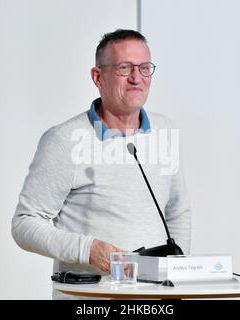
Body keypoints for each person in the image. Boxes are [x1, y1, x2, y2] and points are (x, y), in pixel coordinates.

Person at [11, 29, 191, 299]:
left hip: (155, 300)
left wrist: (178, 277)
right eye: (124, 68)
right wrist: (89, 249)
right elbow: (25, 223)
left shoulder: (165, 131)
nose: (136, 78)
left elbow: (178, 210)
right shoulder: (64, 140)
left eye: (144, 68)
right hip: (91, 300)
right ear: (98, 77)